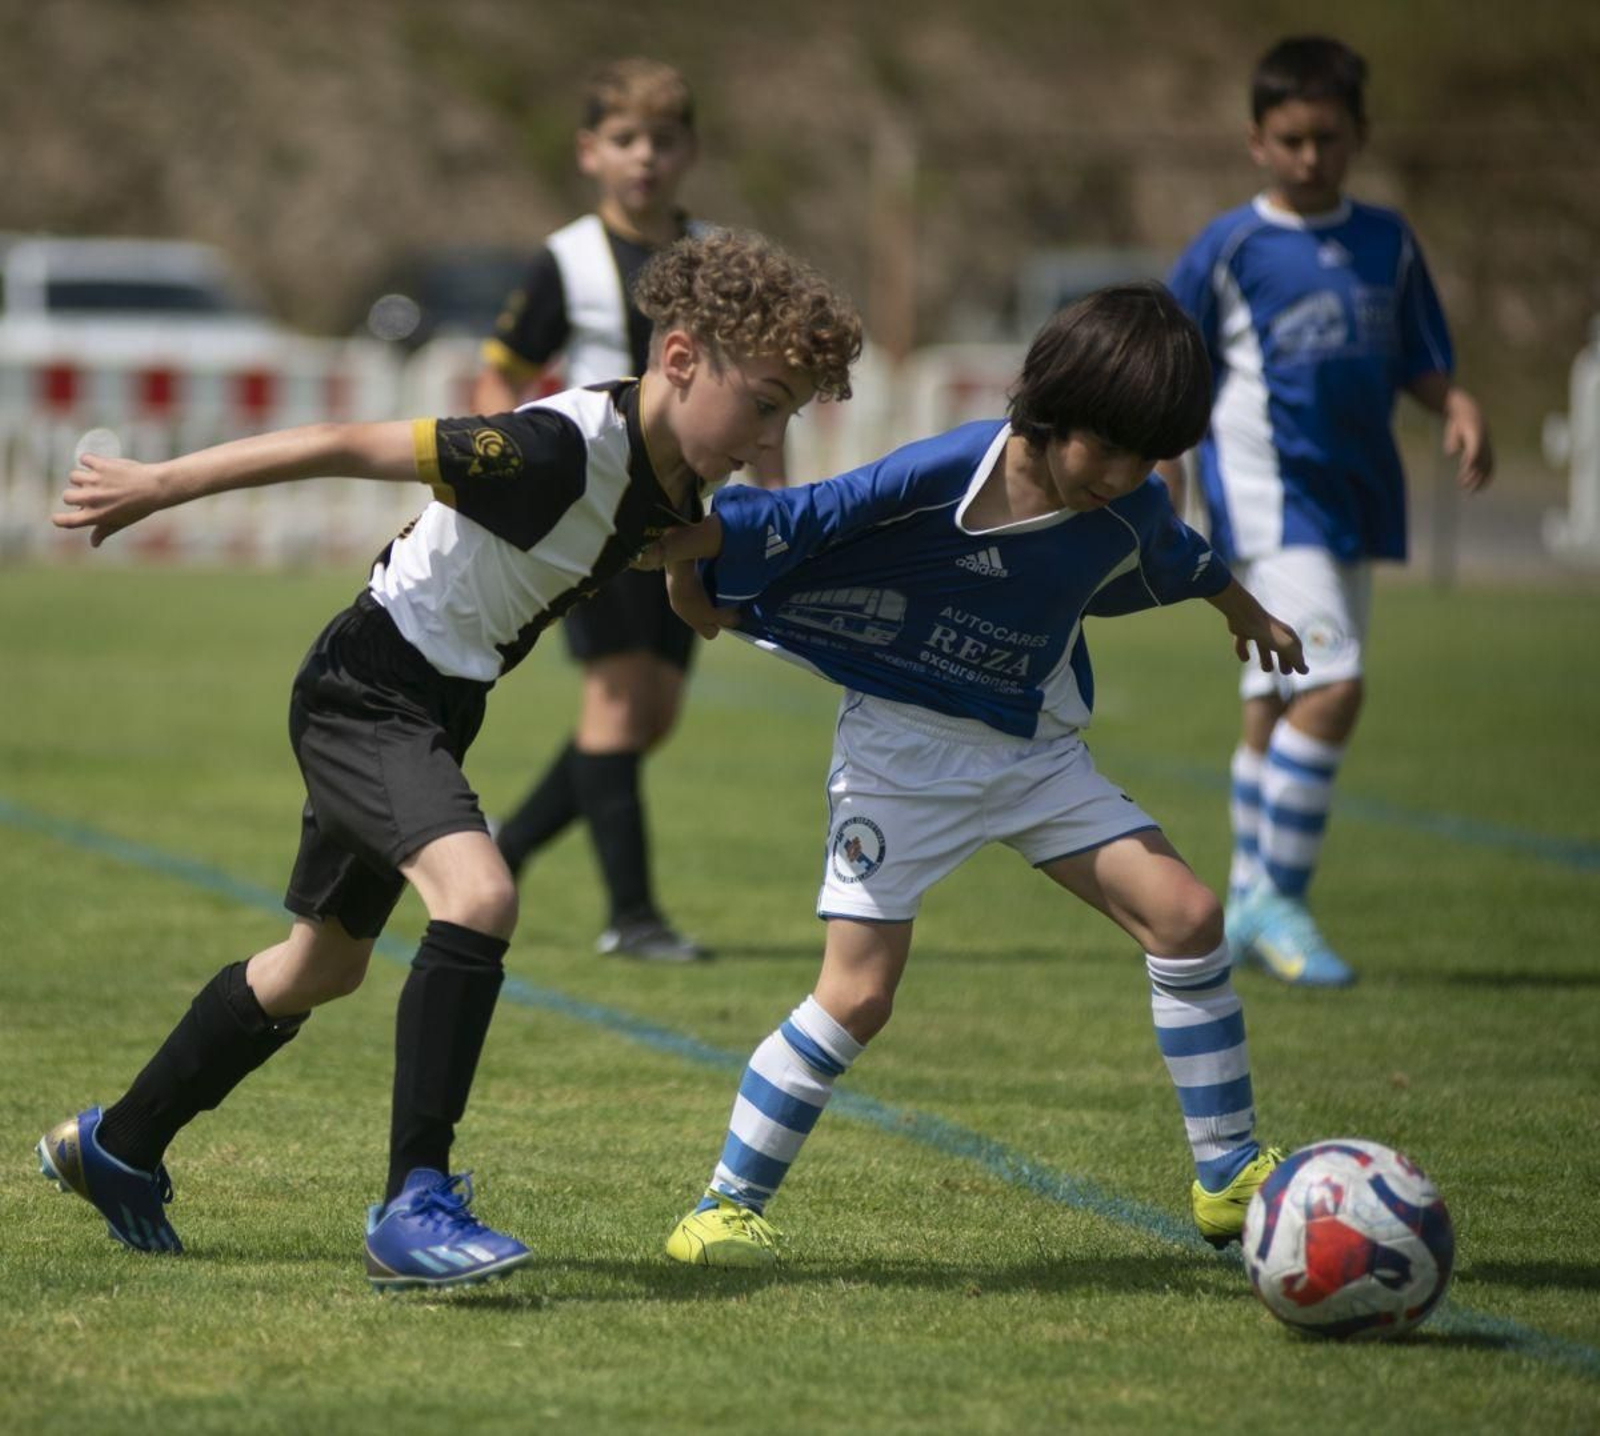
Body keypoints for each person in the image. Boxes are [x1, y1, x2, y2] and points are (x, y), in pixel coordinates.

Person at [37, 229, 862, 1288]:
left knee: (320, 965)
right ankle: (413, 1199)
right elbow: (341, 440)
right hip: (366, 690)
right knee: (477, 895)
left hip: (431, 705)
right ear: (682, 358)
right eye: (766, 400)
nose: (769, 433)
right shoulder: (548, 449)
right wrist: (159, 481)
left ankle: (120, 1144)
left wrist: (703, 595)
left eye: (790, 410)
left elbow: (671, 552)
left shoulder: (676, 476)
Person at [640, 283, 1307, 1268]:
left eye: (1146, 458)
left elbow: (1183, 555)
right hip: (900, 755)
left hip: (1031, 749)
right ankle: (725, 1204)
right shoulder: (953, 466)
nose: (1124, 476)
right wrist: (690, 559)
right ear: (1051, 407)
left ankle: (1228, 1176)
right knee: (858, 994)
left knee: (1187, 914)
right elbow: (818, 513)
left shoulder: (1132, 506)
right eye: (1108, 447)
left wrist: (1245, 610)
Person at [1157, 36, 1493, 987]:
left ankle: (1244, 896)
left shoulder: (1387, 242)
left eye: (1329, 139)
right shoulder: (1230, 249)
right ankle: (1279, 899)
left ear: (1359, 136)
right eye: (1292, 139)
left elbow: (1420, 357)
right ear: (1256, 141)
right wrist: (1162, 469)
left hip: (1351, 500)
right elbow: (1168, 367)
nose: (1312, 157)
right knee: (1335, 687)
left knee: (1276, 704)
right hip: (1266, 505)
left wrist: (1457, 404)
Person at [474, 58, 764, 962]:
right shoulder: (565, 259)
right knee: (613, 704)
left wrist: (774, 494)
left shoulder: (715, 254)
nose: (646, 158)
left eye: (663, 141)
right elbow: (502, 373)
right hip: (594, 507)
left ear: (690, 152)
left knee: (653, 716)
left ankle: (507, 851)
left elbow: (757, 381)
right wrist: (505, 465)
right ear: (590, 153)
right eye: (626, 141)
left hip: (682, 511)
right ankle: (632, 918)